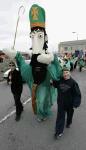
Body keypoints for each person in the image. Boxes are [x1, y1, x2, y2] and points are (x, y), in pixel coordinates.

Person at [2, 4, 62, 121]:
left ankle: (43, 112)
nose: (35, 39)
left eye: (39, 35)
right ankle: (41, 112)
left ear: (45, 37)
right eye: (32, 36)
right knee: (39, 100)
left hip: (45, 81)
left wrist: (52, 59)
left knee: (43, 99)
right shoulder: (31, 59)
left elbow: (58, 71)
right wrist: (17, 55)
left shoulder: (49, 55)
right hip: (34, 77)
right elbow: (24, 69)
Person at [52, 66, 81, 139]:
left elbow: (77, 94)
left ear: (69, 73)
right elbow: (55, 85)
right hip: (61, 103)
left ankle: (68, 122)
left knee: (69, 115)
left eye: (67, 72)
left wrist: (76, 103)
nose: (65, 74)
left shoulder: (73, 82)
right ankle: (58, 132)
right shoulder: (60, 80)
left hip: (70, 104)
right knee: (60, 117)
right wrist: (53, 81)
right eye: (64, 73)